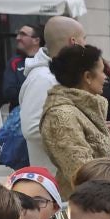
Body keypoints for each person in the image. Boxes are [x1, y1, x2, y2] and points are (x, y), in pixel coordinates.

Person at [39, 44, 110, 196]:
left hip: (101, 202)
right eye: (102, 71)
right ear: (88, 77)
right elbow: (82, 171)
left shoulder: (82, 110)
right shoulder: (61, 116)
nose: (105, 76)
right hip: (86, 208)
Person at [18, 16, 86, 174]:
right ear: (73, 42)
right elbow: (32, 128)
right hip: (53, 179)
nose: (85, 45)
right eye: (84, 39)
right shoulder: (43, 79)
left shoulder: (58, 76)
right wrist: (81, 131)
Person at [1, 23, 40, 107]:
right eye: (18, 34)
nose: (17, 38)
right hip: (20, 115)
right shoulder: (14, 62)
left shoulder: (48, 60)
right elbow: (8, 92)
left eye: (23, 35)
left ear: (36, 40)